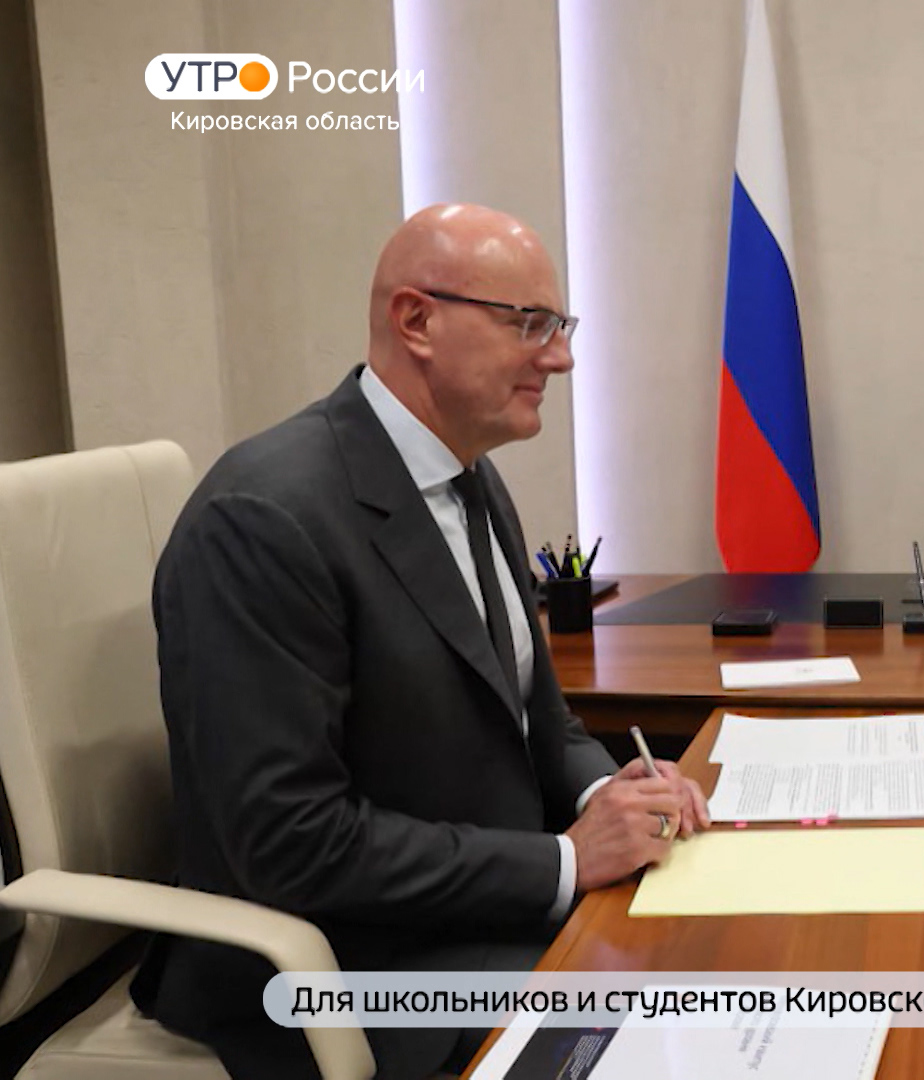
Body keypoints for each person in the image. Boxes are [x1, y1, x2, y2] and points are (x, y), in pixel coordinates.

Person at [131, 204, 710, 1079]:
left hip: (471, 909)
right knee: (679, 1038)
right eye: (530, 324)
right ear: (416, 320)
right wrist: (564, 859)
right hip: (341, 963)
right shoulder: (263, 520)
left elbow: (537, 721)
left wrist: (610, 793)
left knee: (727, 962)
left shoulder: (471, 478)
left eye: (560, 327)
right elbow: (291, 841)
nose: (559, 357)